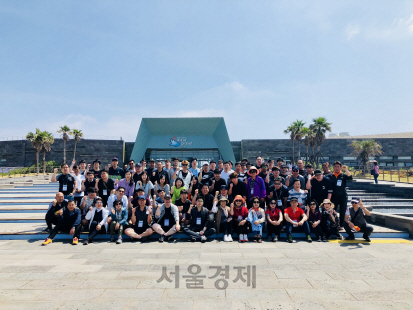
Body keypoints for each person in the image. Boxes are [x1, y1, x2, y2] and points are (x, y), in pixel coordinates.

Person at [328, 161, 353, 227]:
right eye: (335, 167)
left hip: (343, 197)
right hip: (334, 197)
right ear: (333, 168)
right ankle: (334, 224)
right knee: (333, 211)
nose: (336, 168)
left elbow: (350, 177)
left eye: (338, 167)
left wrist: (346, 169)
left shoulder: (343, 176)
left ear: (340, 168)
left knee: (342, 211)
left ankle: (341, 225)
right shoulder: (330, 176)